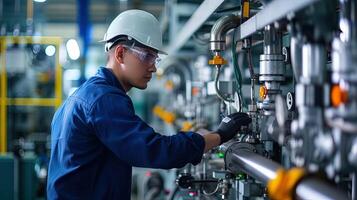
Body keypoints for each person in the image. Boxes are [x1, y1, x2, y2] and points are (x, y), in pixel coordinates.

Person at [47, 9, 251, 199]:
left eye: (156, 58)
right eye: (147, 56)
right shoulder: (103, 99)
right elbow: (155, 151)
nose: (153, 68)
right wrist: (220, 135)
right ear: (120, 54)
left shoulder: (83, 97)